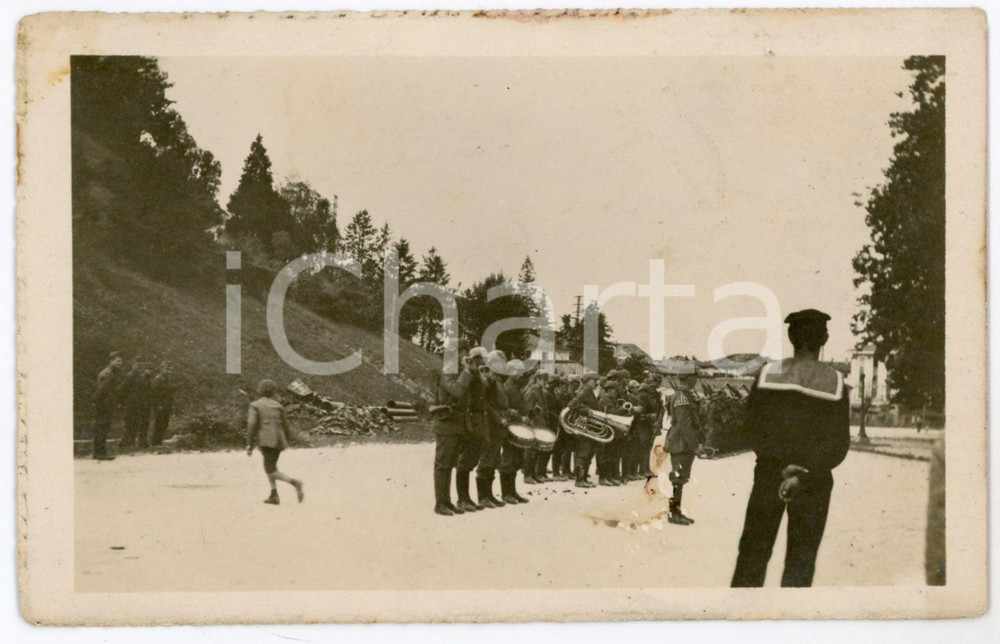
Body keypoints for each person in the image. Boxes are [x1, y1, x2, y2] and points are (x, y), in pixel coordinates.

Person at [731, 309, 850, 587]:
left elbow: (750, 429)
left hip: (770, 475)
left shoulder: (768, 374)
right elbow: (838, 444)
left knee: (752, 555)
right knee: (801, 561)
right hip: (814, 481)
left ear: (791, 337)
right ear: (825, 338)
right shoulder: (835, 382)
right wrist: (804, 473)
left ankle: (739, 621)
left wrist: (781, 466)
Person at [432, 343, 488, 516]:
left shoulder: (462, 371)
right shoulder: (448, 371)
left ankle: (448, 502)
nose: (466, 355)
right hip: (447, 423)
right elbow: (456, 391)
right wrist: (466, 371)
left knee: (450, 464)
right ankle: (440, 503)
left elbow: (478, 393)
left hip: (459, 424)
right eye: (463, 352)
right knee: (443, 465)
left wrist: (473, 371)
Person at [245, 378, 303, 505]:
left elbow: (251, 425)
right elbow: (286, 426)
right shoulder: (278, 405)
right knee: (270, 466)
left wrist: (249, 443)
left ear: (259, 390)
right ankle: (274, 494)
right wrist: (287, 439)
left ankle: (294, 482)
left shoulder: (255, 405)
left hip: (266, 440)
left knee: (270, 469)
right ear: (273, 391)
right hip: (279, 440)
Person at [664, 366, 703, 525]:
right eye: (694, 378)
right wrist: (695, 446)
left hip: (682, 442)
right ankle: (673, 513)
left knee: (680, 478)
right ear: (688, 379)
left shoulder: (684, 395)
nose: (696, 381)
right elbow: (684, 425)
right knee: (678, 479)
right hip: (681, 443)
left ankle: (676, 511)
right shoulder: (682, 397)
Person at [475, 350, 511, 509]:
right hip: (491, 425)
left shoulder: (497, 380)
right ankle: (482, 496)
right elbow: (486, 404)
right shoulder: (488, 381)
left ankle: (489, 495)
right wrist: (498, 418)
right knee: (487, 459)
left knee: (495, 459)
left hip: (500, 424)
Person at [498, 359, 530, 504]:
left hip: (518, 427)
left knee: (517, 459)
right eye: (519, 371)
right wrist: (520, 416)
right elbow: (504, 409)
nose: (521, 374)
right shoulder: (508, 387)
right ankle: (506, 493)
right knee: (509, 460)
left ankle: (512, 491)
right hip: (511, 427)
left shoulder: (516, 386)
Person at [568, 372, 601, 488]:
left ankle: (584, 478)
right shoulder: (584, 391)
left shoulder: (588, 391)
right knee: (584, 453)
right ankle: (579, 480)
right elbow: (572, 404)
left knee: (589, 452)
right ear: (587, 381)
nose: (596, 383)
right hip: (584, 425)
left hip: (588, 426)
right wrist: (586, 410)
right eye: (593, 380)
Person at [91, 351, 124, 460]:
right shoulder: (107, 374)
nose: (120, 364)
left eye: (121, 362)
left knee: (103, 429)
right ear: (111, 361)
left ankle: (100, 453)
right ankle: (99, 453)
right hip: (103, 406)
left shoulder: (110, 373)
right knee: (101, 429)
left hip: (105, 405)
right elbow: (101, 391)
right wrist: (98, 403)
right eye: (117, 361)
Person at [149, 361, 175, 446]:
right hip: (160, 405)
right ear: (161, 369)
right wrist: (158, 405)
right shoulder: (158, 379)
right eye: (167, 369)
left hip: (166, 404)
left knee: (164, 423)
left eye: (170, 369)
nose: (169, 371)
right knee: (159, 423)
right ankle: (155, 442)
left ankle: (159, 441)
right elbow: (155, 393)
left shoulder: (167, 379)